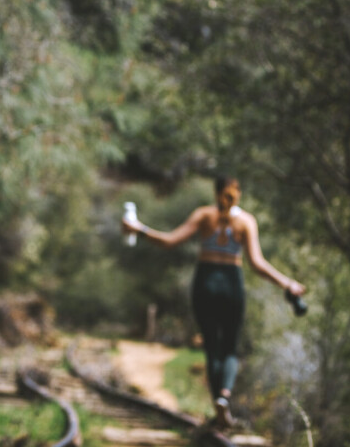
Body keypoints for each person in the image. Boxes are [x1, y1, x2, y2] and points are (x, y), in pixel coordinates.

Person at [121, 174, 306, 428]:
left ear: (215, 191)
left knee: (212, 347)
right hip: (232, 284)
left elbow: (169, 241)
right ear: (238, 193)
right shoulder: (246, 222)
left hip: (205, 282)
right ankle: (224, 396)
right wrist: (288, 284)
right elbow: (258, 264)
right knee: (230, 348)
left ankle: (217, 405)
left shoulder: (203, 216)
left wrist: (138, 229)